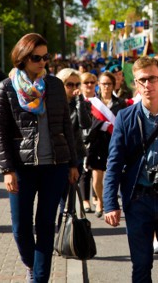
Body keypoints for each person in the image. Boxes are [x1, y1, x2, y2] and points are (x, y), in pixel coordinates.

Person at [0, 33, 79, 282]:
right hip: (22, 168)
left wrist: (73, 162)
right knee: (21, 228)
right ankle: (31, 264)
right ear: (22, 58)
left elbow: (65, 124)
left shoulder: (53, 85)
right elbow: (0, 133)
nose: (42, 62)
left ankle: (39, 277)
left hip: (55, 166)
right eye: (36, 58)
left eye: (46, 57)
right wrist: (7, 170)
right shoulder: (6, 89)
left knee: (45, 225)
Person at [103, 56, 158, 283]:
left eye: (152, 79)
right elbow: (114, 162)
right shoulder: (125, 117)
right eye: (142, 80)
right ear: (135, 84)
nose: (148, 85)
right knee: (141, 266)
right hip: (138, 200)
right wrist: (110, 203)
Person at [84, 71, 127, 217]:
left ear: (113, 85)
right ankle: (100, 201)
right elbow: (87, 122)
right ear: (99, 85)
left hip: (114, 142)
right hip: (97, 142)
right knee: (96, 176)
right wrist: (100, 125)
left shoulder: (120, 103)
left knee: (113, 174)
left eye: (109, 84)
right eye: (103, 84)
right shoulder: (91, 103)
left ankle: (111, 202)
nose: (106, 87)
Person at [55, 68, 91, 229]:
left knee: (69, 196)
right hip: (57, 154)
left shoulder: (82, 103)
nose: (74, 88)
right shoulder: (54, 104)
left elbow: (85, 124)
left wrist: (79, 102)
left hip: (76, 154)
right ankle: (59, 228)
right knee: (58, 196)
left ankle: (64, 230)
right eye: (70, 84)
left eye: (77, 84)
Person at [78, 71, 98, 212]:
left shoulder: (99, 100)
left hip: (98, 139)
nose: (89, 85)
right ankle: (85, 200)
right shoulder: (79, 100)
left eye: (92, 82)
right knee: (85, 171)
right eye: (86, 82)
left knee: (96, 169)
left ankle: (96, 196)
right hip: (82, 139)